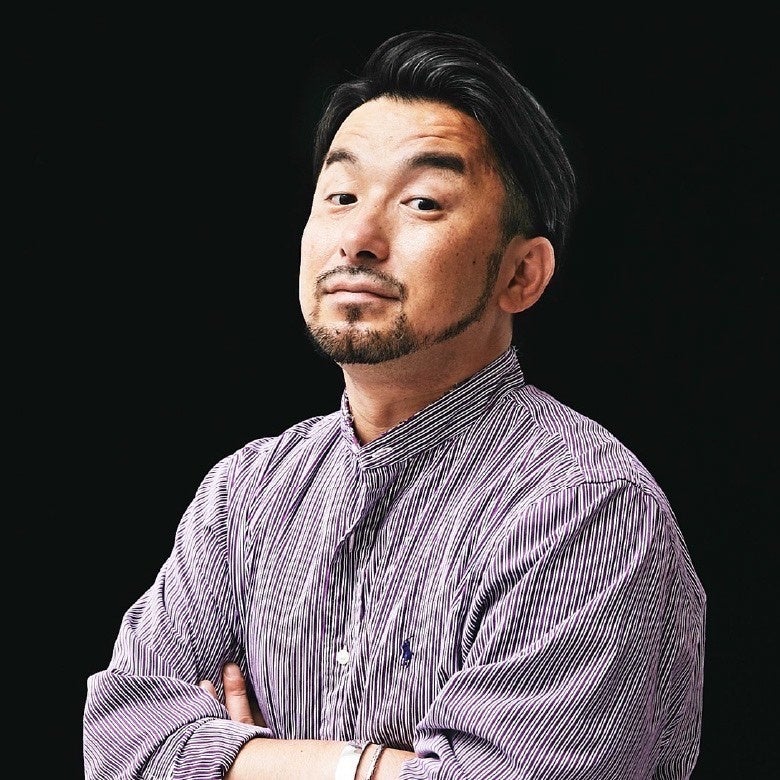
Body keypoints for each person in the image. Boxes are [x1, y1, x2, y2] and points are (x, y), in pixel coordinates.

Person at [83, 29, 706, 780]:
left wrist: (233, 760)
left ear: (522, 274)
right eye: (340, 196)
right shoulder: (244, 496)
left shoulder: (582, 507)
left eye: (422, 202)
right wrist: (386, 768)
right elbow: (120, 740)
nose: (359, 238)